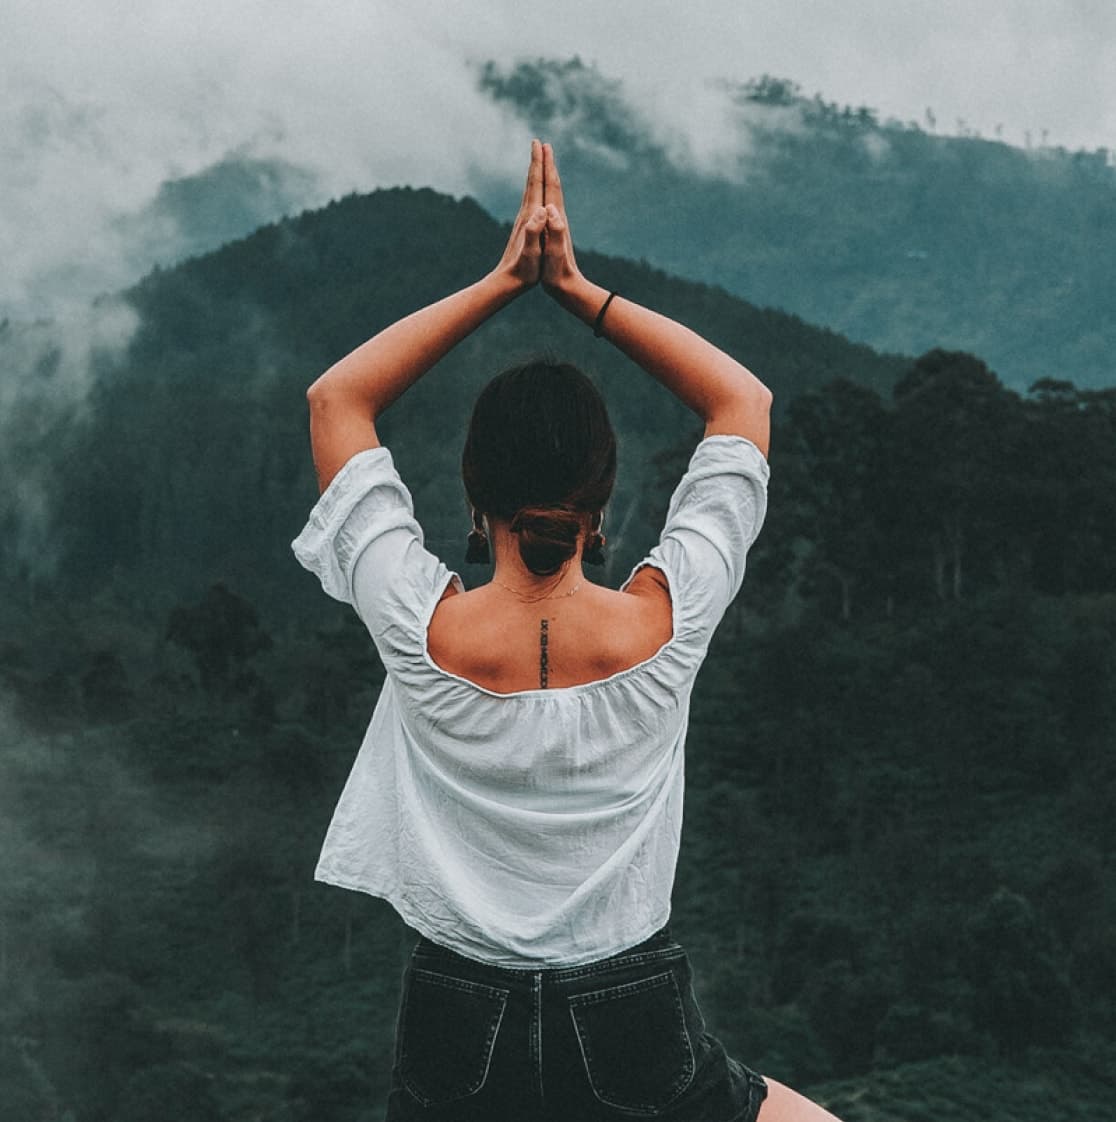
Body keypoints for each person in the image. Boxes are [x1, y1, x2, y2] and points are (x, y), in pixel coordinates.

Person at [292, 141, 840, 1121]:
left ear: (472, 496)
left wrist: (504, 282)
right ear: (604, 502)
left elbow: (337, 398)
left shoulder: (419, 625)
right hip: (628, 1019)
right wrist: (580, 291)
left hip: (454, 1026)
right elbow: (740, 402)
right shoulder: (666, 623)